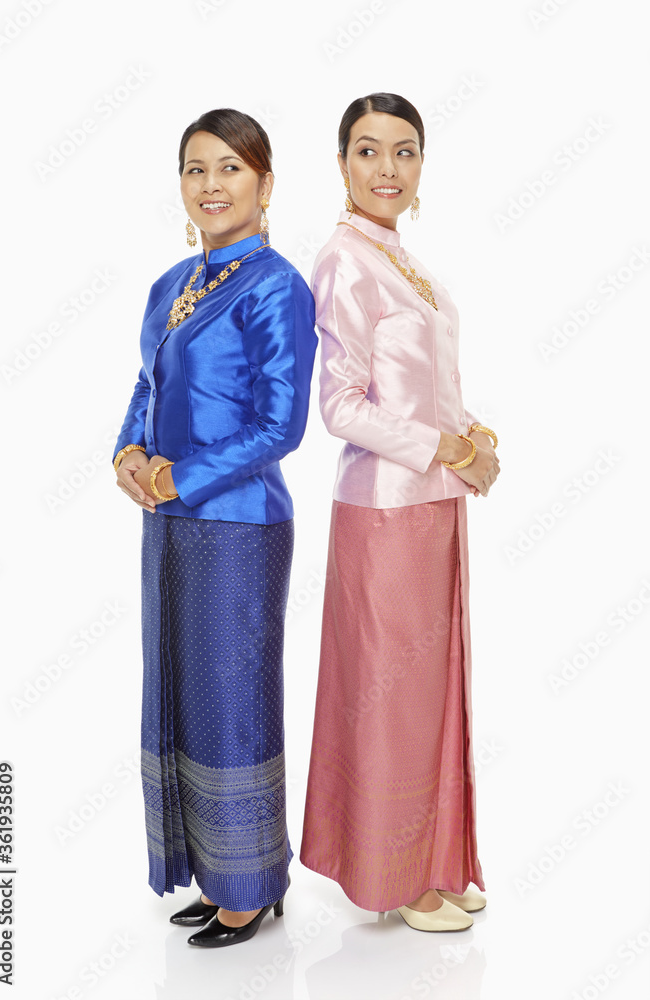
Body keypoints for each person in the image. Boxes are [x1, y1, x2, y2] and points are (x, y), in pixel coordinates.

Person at [113, 108, 317, 948]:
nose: (210, 184)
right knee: (179, 692)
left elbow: (280, 425)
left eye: (229, 168)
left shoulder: (276, 286)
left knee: (232, 698)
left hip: (238, 528)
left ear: (264, 184)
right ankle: (211, 869)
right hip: (167, 524)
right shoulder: (172, 283)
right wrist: (129, 450)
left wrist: (179, 477)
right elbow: (147, 384)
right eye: (195, 168)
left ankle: (251, 885)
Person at [300, 93, 499, 933]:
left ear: (421, 165)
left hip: (433, 505)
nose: (387, 168)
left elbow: (422, 387)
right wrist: (445, 447)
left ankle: (438, 859)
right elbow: (339, 406)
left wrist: (471, 433)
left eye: (404, 150)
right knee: (392, 695)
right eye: (368, 150)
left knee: (434, 686)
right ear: (341, 163)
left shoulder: (404, 260)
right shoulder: (344, 260)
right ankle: (397, 875)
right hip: (383, 513)